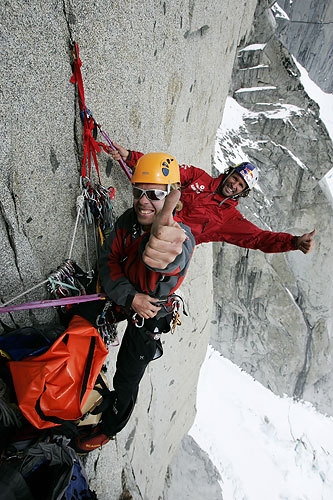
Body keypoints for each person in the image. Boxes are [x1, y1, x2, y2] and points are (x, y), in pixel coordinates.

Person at [77, 152, 195, 448]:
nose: (143, 200)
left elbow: (174, 258)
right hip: (126, 296)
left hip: (151, 313)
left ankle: (111, 427)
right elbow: (108, 261)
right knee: (80, 318)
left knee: (128, 378)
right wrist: (131, 298)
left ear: (172, 199)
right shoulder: (128, 220)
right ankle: (82, 374)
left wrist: (161, 253)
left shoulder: (178, 237)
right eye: (138, 191)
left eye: (155, 194)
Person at [109, 143, 316, 254]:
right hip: (148, 221)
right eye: (235, 178)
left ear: (241, 193)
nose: (234, 185)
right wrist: (130, 157)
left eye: (240, 186)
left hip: (168, 246)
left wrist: (294, 242)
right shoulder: (198, 176)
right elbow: (166, 172)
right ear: (228, 173)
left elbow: (258, 239)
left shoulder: (229, 219)